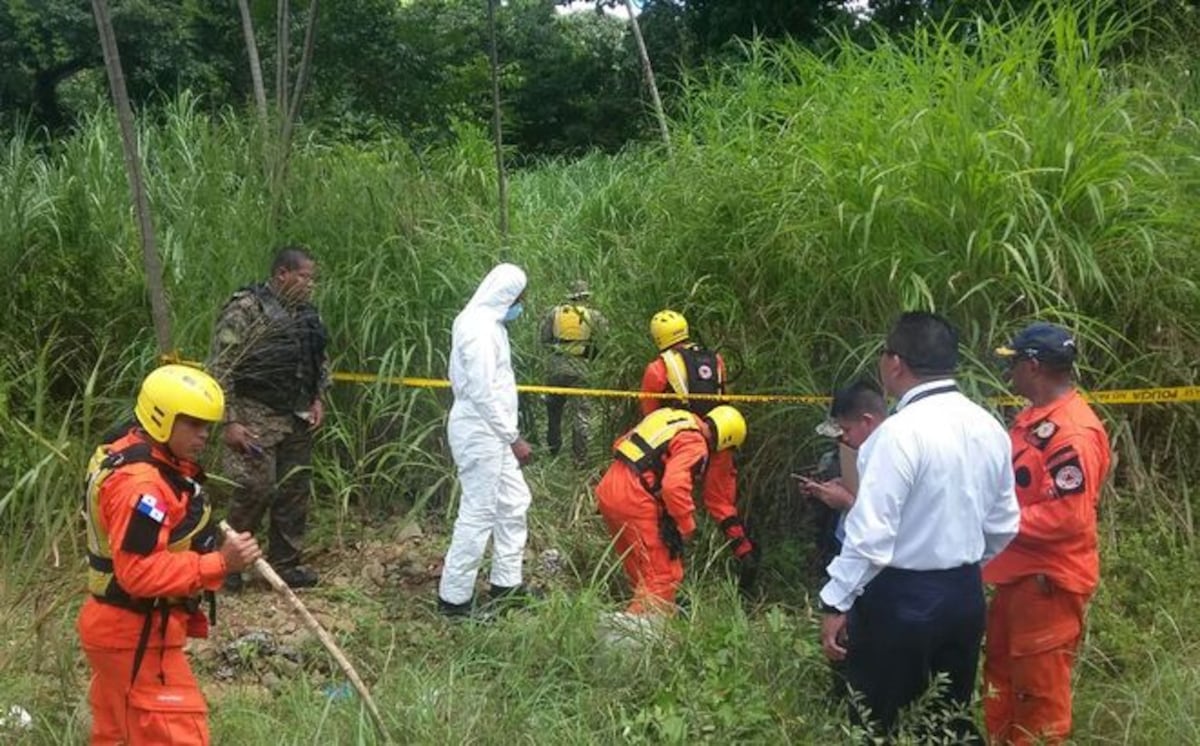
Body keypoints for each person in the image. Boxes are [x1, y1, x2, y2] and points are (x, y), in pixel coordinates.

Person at [819, 312, 1020, 741]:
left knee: (881, 719)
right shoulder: (989, 427)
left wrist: (836, 602)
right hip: (964, 596)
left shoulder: (896, 435)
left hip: (901, 600)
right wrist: (961, 561)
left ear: (895, 363)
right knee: (948, 717)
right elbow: (1005, 523)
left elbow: (870, 537)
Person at [79, 364, 262, 745]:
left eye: (207, 426)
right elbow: (138, 574)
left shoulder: (139, 455)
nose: (204, 435)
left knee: (116, 736)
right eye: (193, 424)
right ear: (162, 418)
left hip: (123, 631)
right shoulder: (142, 486)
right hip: (133, 633)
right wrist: (221, 563)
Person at [984, 323, 1111, 745]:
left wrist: (998, 522)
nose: (1011, 372)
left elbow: (1067, 517)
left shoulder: (1071, 432)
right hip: (1018, 580)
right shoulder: (1035, 419)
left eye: (1015, 362)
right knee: (1003, 681)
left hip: (1047, 586)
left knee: (1039, 700)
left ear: (1033, 366)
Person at [207, 246, 330, 591]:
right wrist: (229, 420)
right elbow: (221, 365)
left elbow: (319, 358)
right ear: (282, 274)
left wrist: (318, 396)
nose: (310, 285)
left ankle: (286, 563)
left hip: (298, 416)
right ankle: (226, 564)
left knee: (294, 489)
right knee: (253, 489)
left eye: (312, 278)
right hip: (254, 416)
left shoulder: (308, 314)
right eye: (304, 277)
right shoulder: (247, 309)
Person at [438, 263, 536, 617]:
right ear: (506, 295)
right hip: (482, 431)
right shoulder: (478, 329)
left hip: (492, 431)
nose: (521, 305)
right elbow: (481, 392)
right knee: (478, 512)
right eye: (519, 298)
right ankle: (454, 599)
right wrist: (513, 438)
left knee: (513, 502)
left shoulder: (488, 325)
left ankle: (506, 585)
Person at [596, 405, 748, 614]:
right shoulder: (696, 444)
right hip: (636, 498)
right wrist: (686, 526)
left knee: (641, 571)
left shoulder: (673, 417)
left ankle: (636, 622)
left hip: (610, 488)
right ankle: (642, 636)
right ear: (725, 441)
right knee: (662, 576)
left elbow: (620, 445)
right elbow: (673, 486)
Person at [639, 310, 756, 581]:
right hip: (721, 434)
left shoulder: (658, 368)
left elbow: (650, 417)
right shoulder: (714, 359)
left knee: (669, 495)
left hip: (682, 441)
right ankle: (745, 555)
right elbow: (724, 397)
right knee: (721, 503)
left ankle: (678, 562)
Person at [796, 380, 888, 565]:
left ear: (867, 421)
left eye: (846, 430)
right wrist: (835, 486)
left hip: (871, 565)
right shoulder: (858, 451)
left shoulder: (897, 458)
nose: (844, 437)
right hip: (845, 542)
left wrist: (846, 502)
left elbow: (886, 528)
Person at [540, 279, 607, 464]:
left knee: (553, 410)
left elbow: (544, 340)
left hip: (555, 368)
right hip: (581, 369)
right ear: (586, 297)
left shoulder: (554, 313)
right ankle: (580, 459)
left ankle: (553, 450)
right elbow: (605, 341)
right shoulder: (594, 316)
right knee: (581, 414)